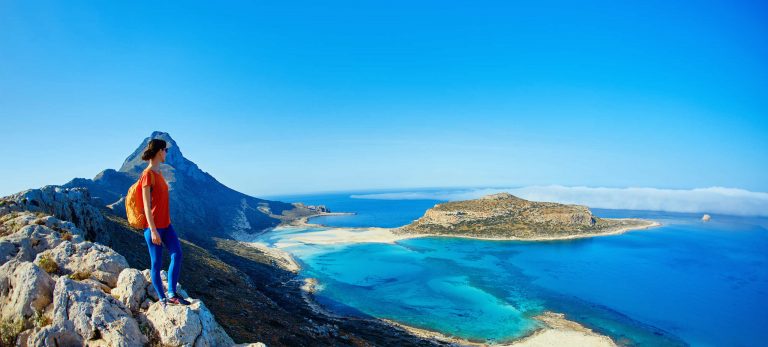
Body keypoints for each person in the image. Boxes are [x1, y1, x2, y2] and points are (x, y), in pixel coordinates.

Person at [139, 139, 191, 306]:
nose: (167, 154)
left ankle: (172, 293)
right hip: (154, 228)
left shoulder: (159, 174)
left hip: (167, 225)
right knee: (156, 263)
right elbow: (147, 206)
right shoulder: (147, 175)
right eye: (166, 151)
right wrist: (153, 230)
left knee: (177, 254)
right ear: (160, 151)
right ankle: (162, 299)